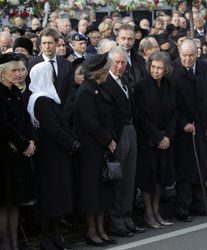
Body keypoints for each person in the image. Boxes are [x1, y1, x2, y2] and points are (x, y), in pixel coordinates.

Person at [27, 61, 80, 250]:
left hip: (54, 155)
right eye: (49, 75)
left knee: (57, 198)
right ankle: (47, 239)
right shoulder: (41, 100)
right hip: (51, 156)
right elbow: (53, 128)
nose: (52, 78)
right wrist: (71, 143)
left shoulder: (43, 98)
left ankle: (57, 237)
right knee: (50, 199)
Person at [171, 40, 207, 222]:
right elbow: (171, 104)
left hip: (202, 124)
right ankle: (183, 207)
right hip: (183, 129)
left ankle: (200, 203)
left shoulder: (206, 69)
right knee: (185, 168)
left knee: (201, 165)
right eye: (184, 56)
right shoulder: (173, 71)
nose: (188, 59)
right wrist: (183, 124)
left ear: (197, 54)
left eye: (191, 56)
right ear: (179, 54)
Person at [74, 54, 117, 247]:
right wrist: (108, 140)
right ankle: (92, 232)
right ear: (99, 72)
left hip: (101, 149)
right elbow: (90, 122)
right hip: (90, 149)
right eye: (107, 69)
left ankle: (101, 229)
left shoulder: (99, 88)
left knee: (102, 191)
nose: (109, 72)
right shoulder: (86, 91)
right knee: (92, 193)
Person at [104, 46, 145, 236]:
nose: (120, 66)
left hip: (130, 130)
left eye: (123, 63)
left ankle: (127, 217)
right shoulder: (105, 82)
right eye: (117, 63)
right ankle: (116, 220)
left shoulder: (126, 80)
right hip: (117, 134)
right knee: (118, 179)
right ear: (110, 63)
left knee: (130, 177)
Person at [134, 51, 176, 228]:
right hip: (148, 139)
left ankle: (157, 211)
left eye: (160, 68)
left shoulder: (169, 85)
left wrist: (167, 136)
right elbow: (141, 116)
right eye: (153, 67)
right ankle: (148, 213)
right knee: (148, 178)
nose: (156, 71)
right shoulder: (141, 86)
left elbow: (174, 112)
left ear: (166, 69)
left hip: (165, 139)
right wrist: (158, 137)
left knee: (160, 176)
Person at [0, 53, 36, 250]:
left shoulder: (14, 91)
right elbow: (4, 124)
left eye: (19, 69)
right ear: (2, 74)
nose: (17, 74)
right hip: (4, 156)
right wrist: (24, 143)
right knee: (4, 203)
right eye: (13, 70)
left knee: (15, 202)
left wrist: (31, 140)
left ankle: (14, 243)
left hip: (17, 155)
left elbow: (25, 119)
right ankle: (5, 244)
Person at [29, 27, 75, 124]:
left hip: (65, 117)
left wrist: (64, 115)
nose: (47, 47)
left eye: (50, 43)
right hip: (42, 118)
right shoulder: (32, 64)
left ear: (57, 43)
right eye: (44, 43)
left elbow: (71, 92)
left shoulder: (67, 65)